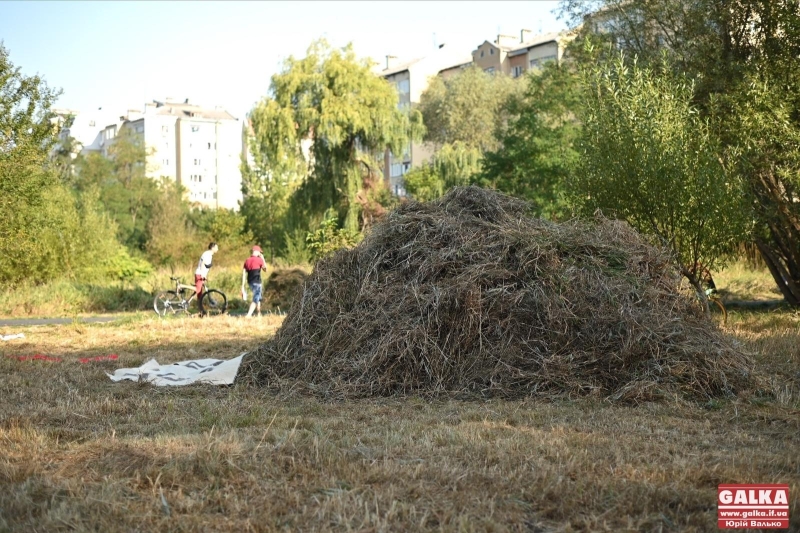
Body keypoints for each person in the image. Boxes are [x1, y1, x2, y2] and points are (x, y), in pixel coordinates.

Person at [242, 245, 268, 317]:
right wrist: (263, 258)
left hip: (250, 282)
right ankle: (248, 315)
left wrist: (242, 286)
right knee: (256, 298)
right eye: (260, 252)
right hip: (257, 282)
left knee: (258, 297)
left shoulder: (247, 260)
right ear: (257, 252)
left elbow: (244, 273)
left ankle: (259, 314)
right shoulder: (259, 260)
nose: (260, 254)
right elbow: (265, 269)